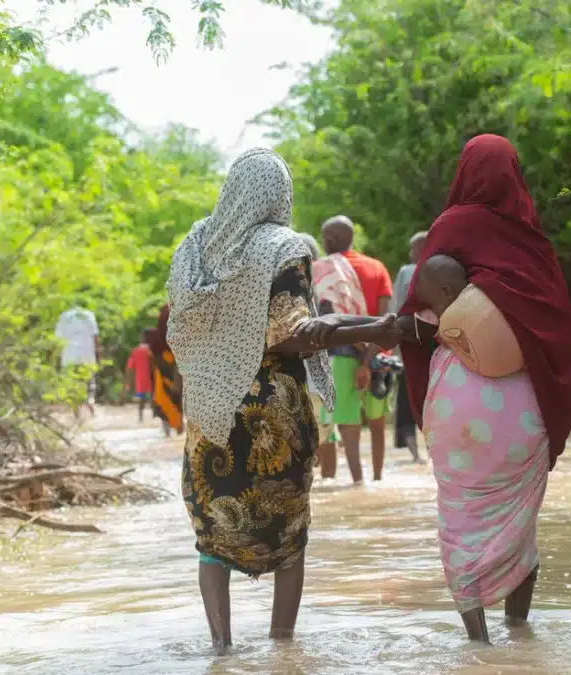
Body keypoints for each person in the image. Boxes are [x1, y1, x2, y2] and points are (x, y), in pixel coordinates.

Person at [300, 135, 571, 643]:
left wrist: (341, 326)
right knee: (520, 531)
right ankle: (521, 638)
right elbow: (559, 336)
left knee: (462, 522)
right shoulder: (534, 245)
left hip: (461, 402)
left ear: (465, 172)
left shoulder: (451, 228)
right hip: (525, 406)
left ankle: (479, 646)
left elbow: (416, 327)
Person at [165, 148, 400, 651]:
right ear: (280, 194)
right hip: (272, 406)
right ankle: (283, 649)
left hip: (209, 407)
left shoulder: (195, 243)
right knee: (289, 529)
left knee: (212, 529)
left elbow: (179, 321)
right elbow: (293, 333)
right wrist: (373, 329)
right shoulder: (284, 245)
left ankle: (221, 649)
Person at [320, 215, 394, 481]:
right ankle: (377, 479)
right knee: (377, 424)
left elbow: (330, 320)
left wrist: (359, 357)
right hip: (379, 359)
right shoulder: (377, 268)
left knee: (341, 424)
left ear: (331, 239)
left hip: (341, 357)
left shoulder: (324, 270)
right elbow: (386, 320)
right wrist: (369, 356)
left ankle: (353, 483)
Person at [298, 232, 342, 480]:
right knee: (326, 431)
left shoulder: (289, 284)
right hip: (324, 371)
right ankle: (329, 480)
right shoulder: (328, 284)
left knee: (304, 434)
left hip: (304, 372)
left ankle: (320, 484)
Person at [390, 231, 428, 461]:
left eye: (414, 248)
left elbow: (396, 309)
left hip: (409, 346)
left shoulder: (407, 272)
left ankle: (416, 456)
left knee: (406, 403)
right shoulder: (448, 269)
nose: (410, 253)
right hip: (437, 347)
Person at [54, 304, 101, 419]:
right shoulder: (89, 315)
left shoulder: (64, 316)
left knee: (72, 385)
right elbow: (95, 338)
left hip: (69, 357)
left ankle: (76, 414)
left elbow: (58, 341)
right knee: (89, 384)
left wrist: (56, 358)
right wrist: (99, 355)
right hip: (87, 356)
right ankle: (90, 403)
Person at [147, 306, 183, 437]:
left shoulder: (155, 338)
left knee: (163, 399)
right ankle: (179, 429)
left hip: (161, 376)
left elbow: (152, 358)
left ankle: (167, 433)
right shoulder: (179, 333)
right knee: (177, 399)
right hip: (176, 373)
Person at [124, 330, 154, 423]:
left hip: (140, 380)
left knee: (141, 400)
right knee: (155, 399)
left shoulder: (136, 351)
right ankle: (156, 419)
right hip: (153, 379)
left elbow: (130, 368)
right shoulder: (152, 351)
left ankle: (141, 419)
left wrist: (128, 383)